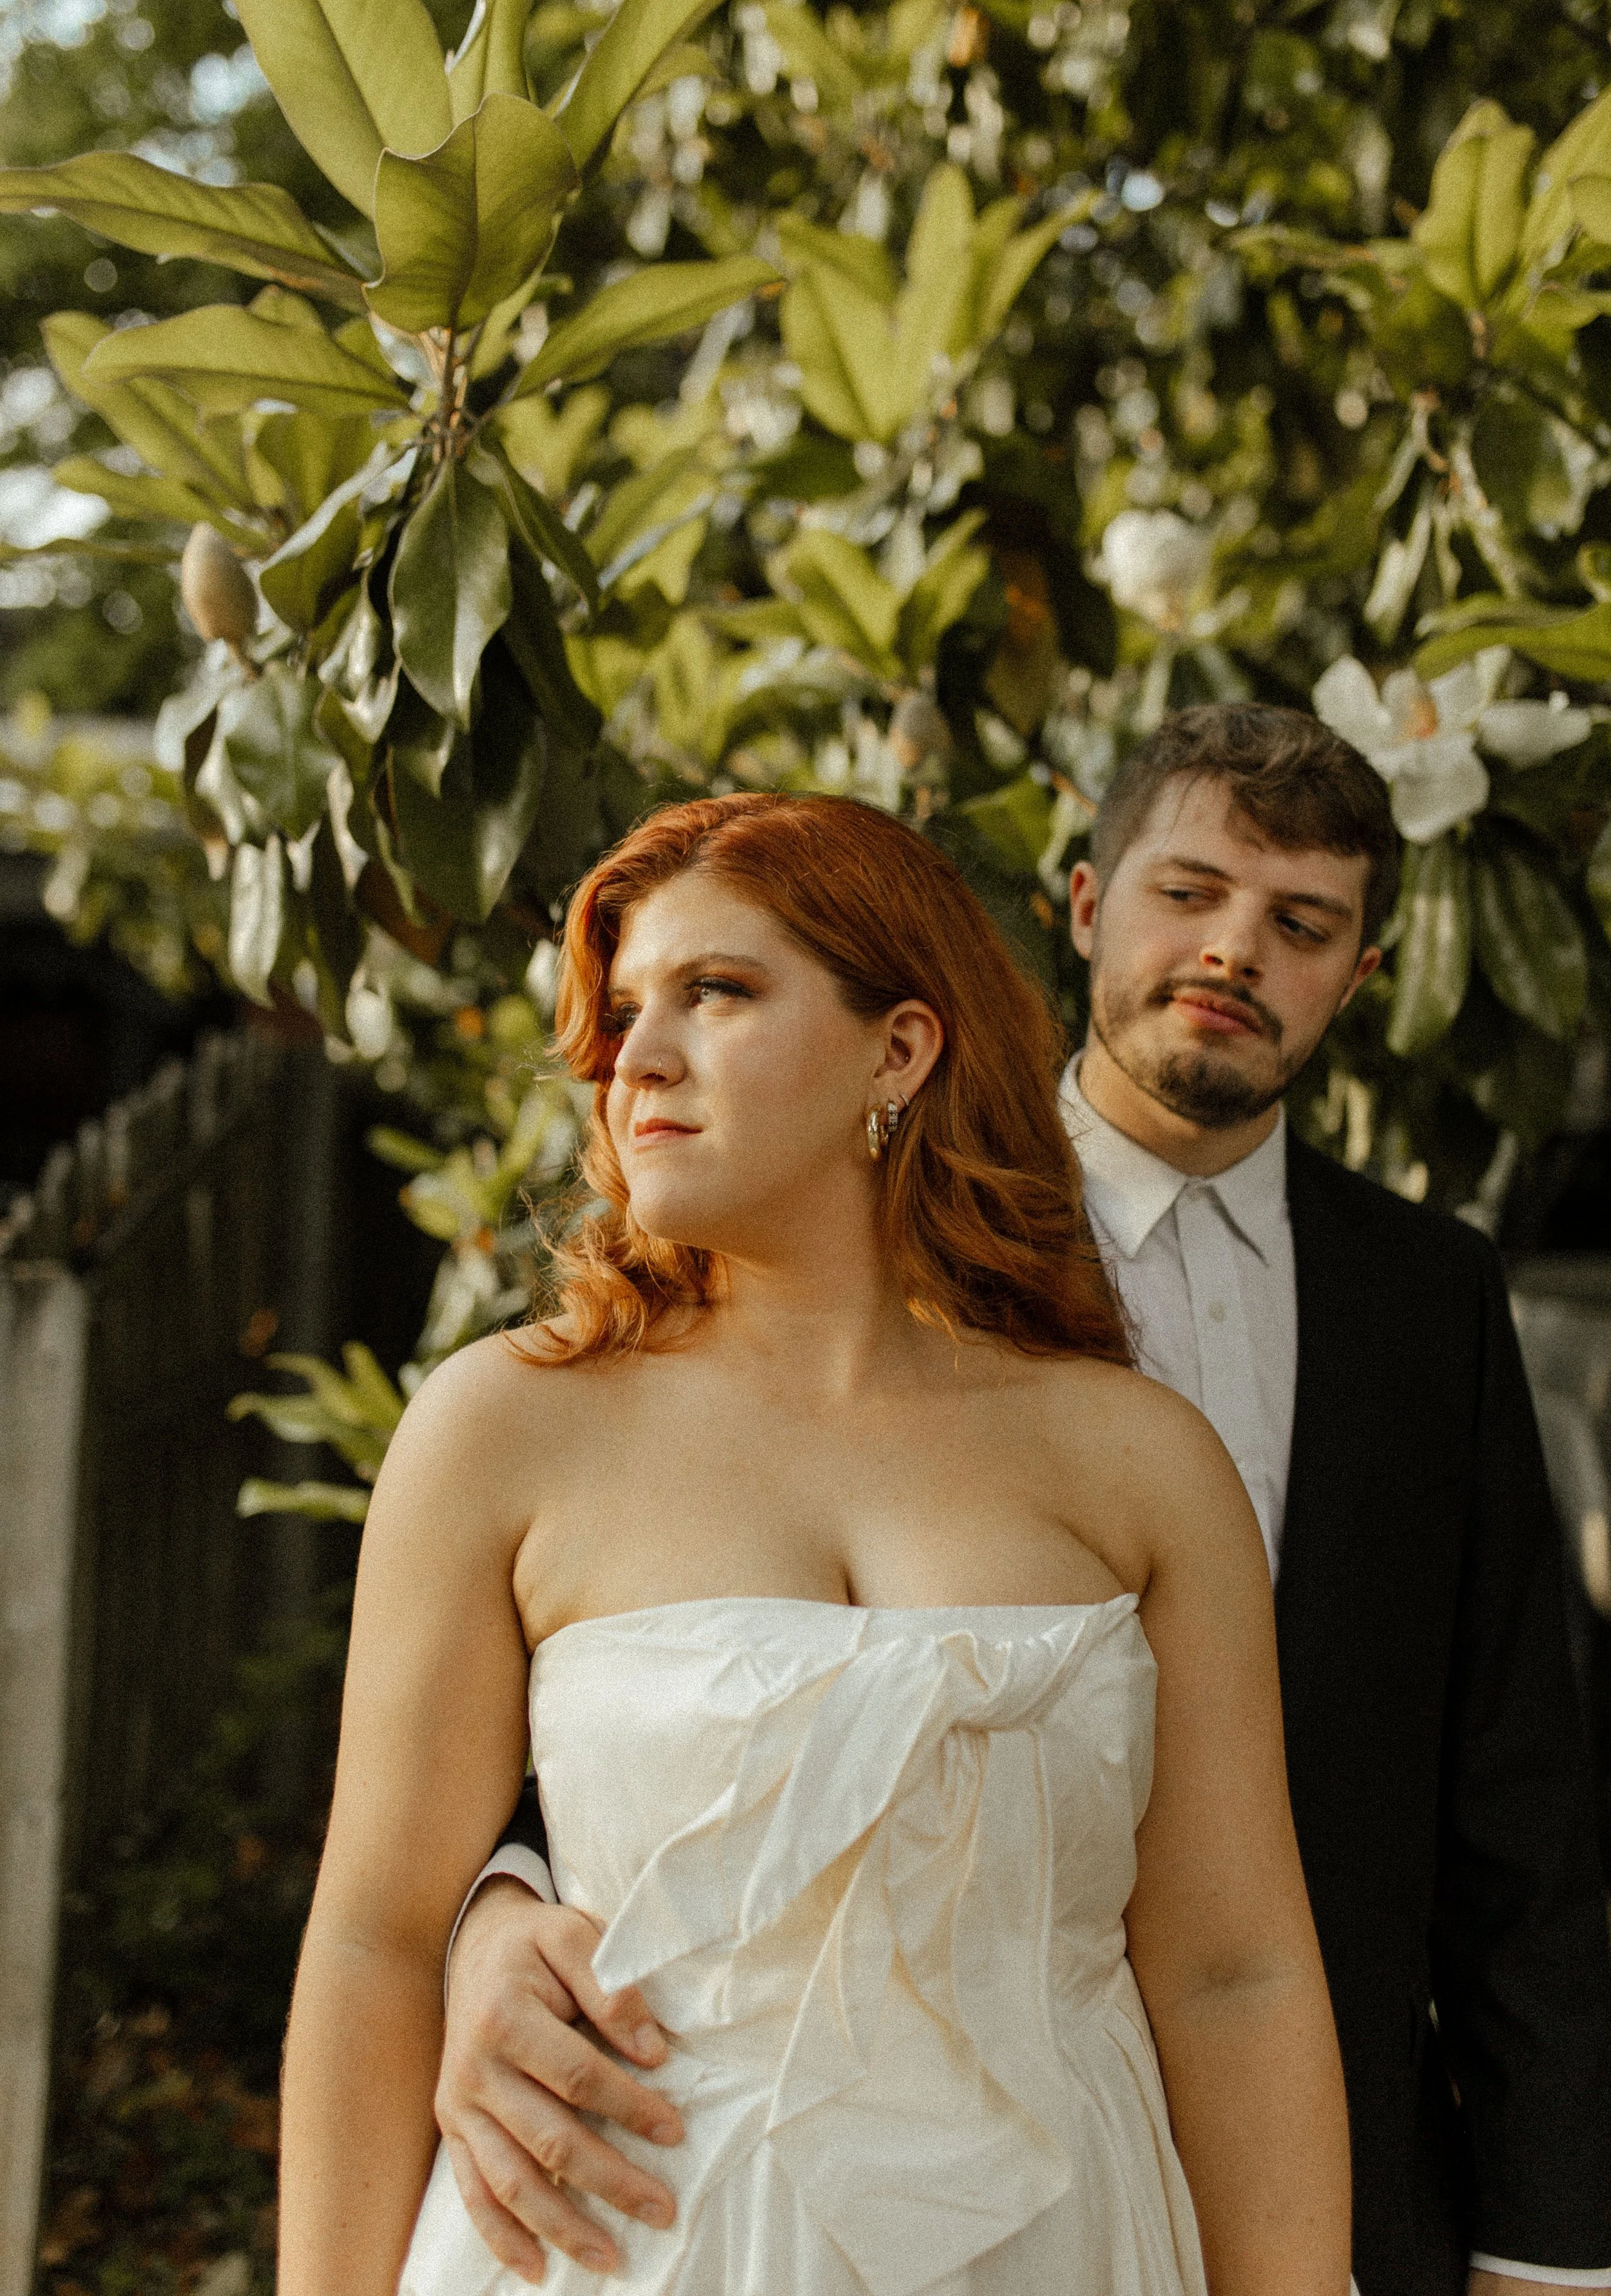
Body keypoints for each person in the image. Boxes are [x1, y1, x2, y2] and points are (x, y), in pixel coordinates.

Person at [436, 713, 1611, 2296]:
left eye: (1299, 925)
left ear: (1360, 973)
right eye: (1185, 894)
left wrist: (1546, 2255)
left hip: (1274, 2179)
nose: (1231, 953)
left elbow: (1513, 1795)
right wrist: (493, 1904)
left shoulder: (1428, 1298)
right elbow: (665, 1646)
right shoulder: (832, 1213)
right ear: (1081, 907)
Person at [277, 790, 1353, 2296]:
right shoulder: (501, 1430)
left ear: (898, 1050)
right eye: (624, 1013)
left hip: (1058, 2248)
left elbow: (1230, 1975)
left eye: (715, 993)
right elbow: (377, 1948)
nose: (636, 1056)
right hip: (624, 2249)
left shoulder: (1138, 1462)